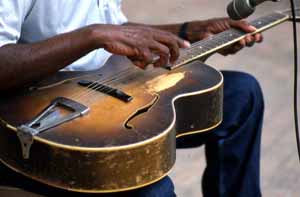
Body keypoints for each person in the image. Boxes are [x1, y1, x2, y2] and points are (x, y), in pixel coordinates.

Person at [0, 1, 264, 197]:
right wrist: (93, 36)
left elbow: (117, 29)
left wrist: (187, 31)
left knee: (242, 95)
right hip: (41, 127)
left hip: (105, 89)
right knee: (153, 191)